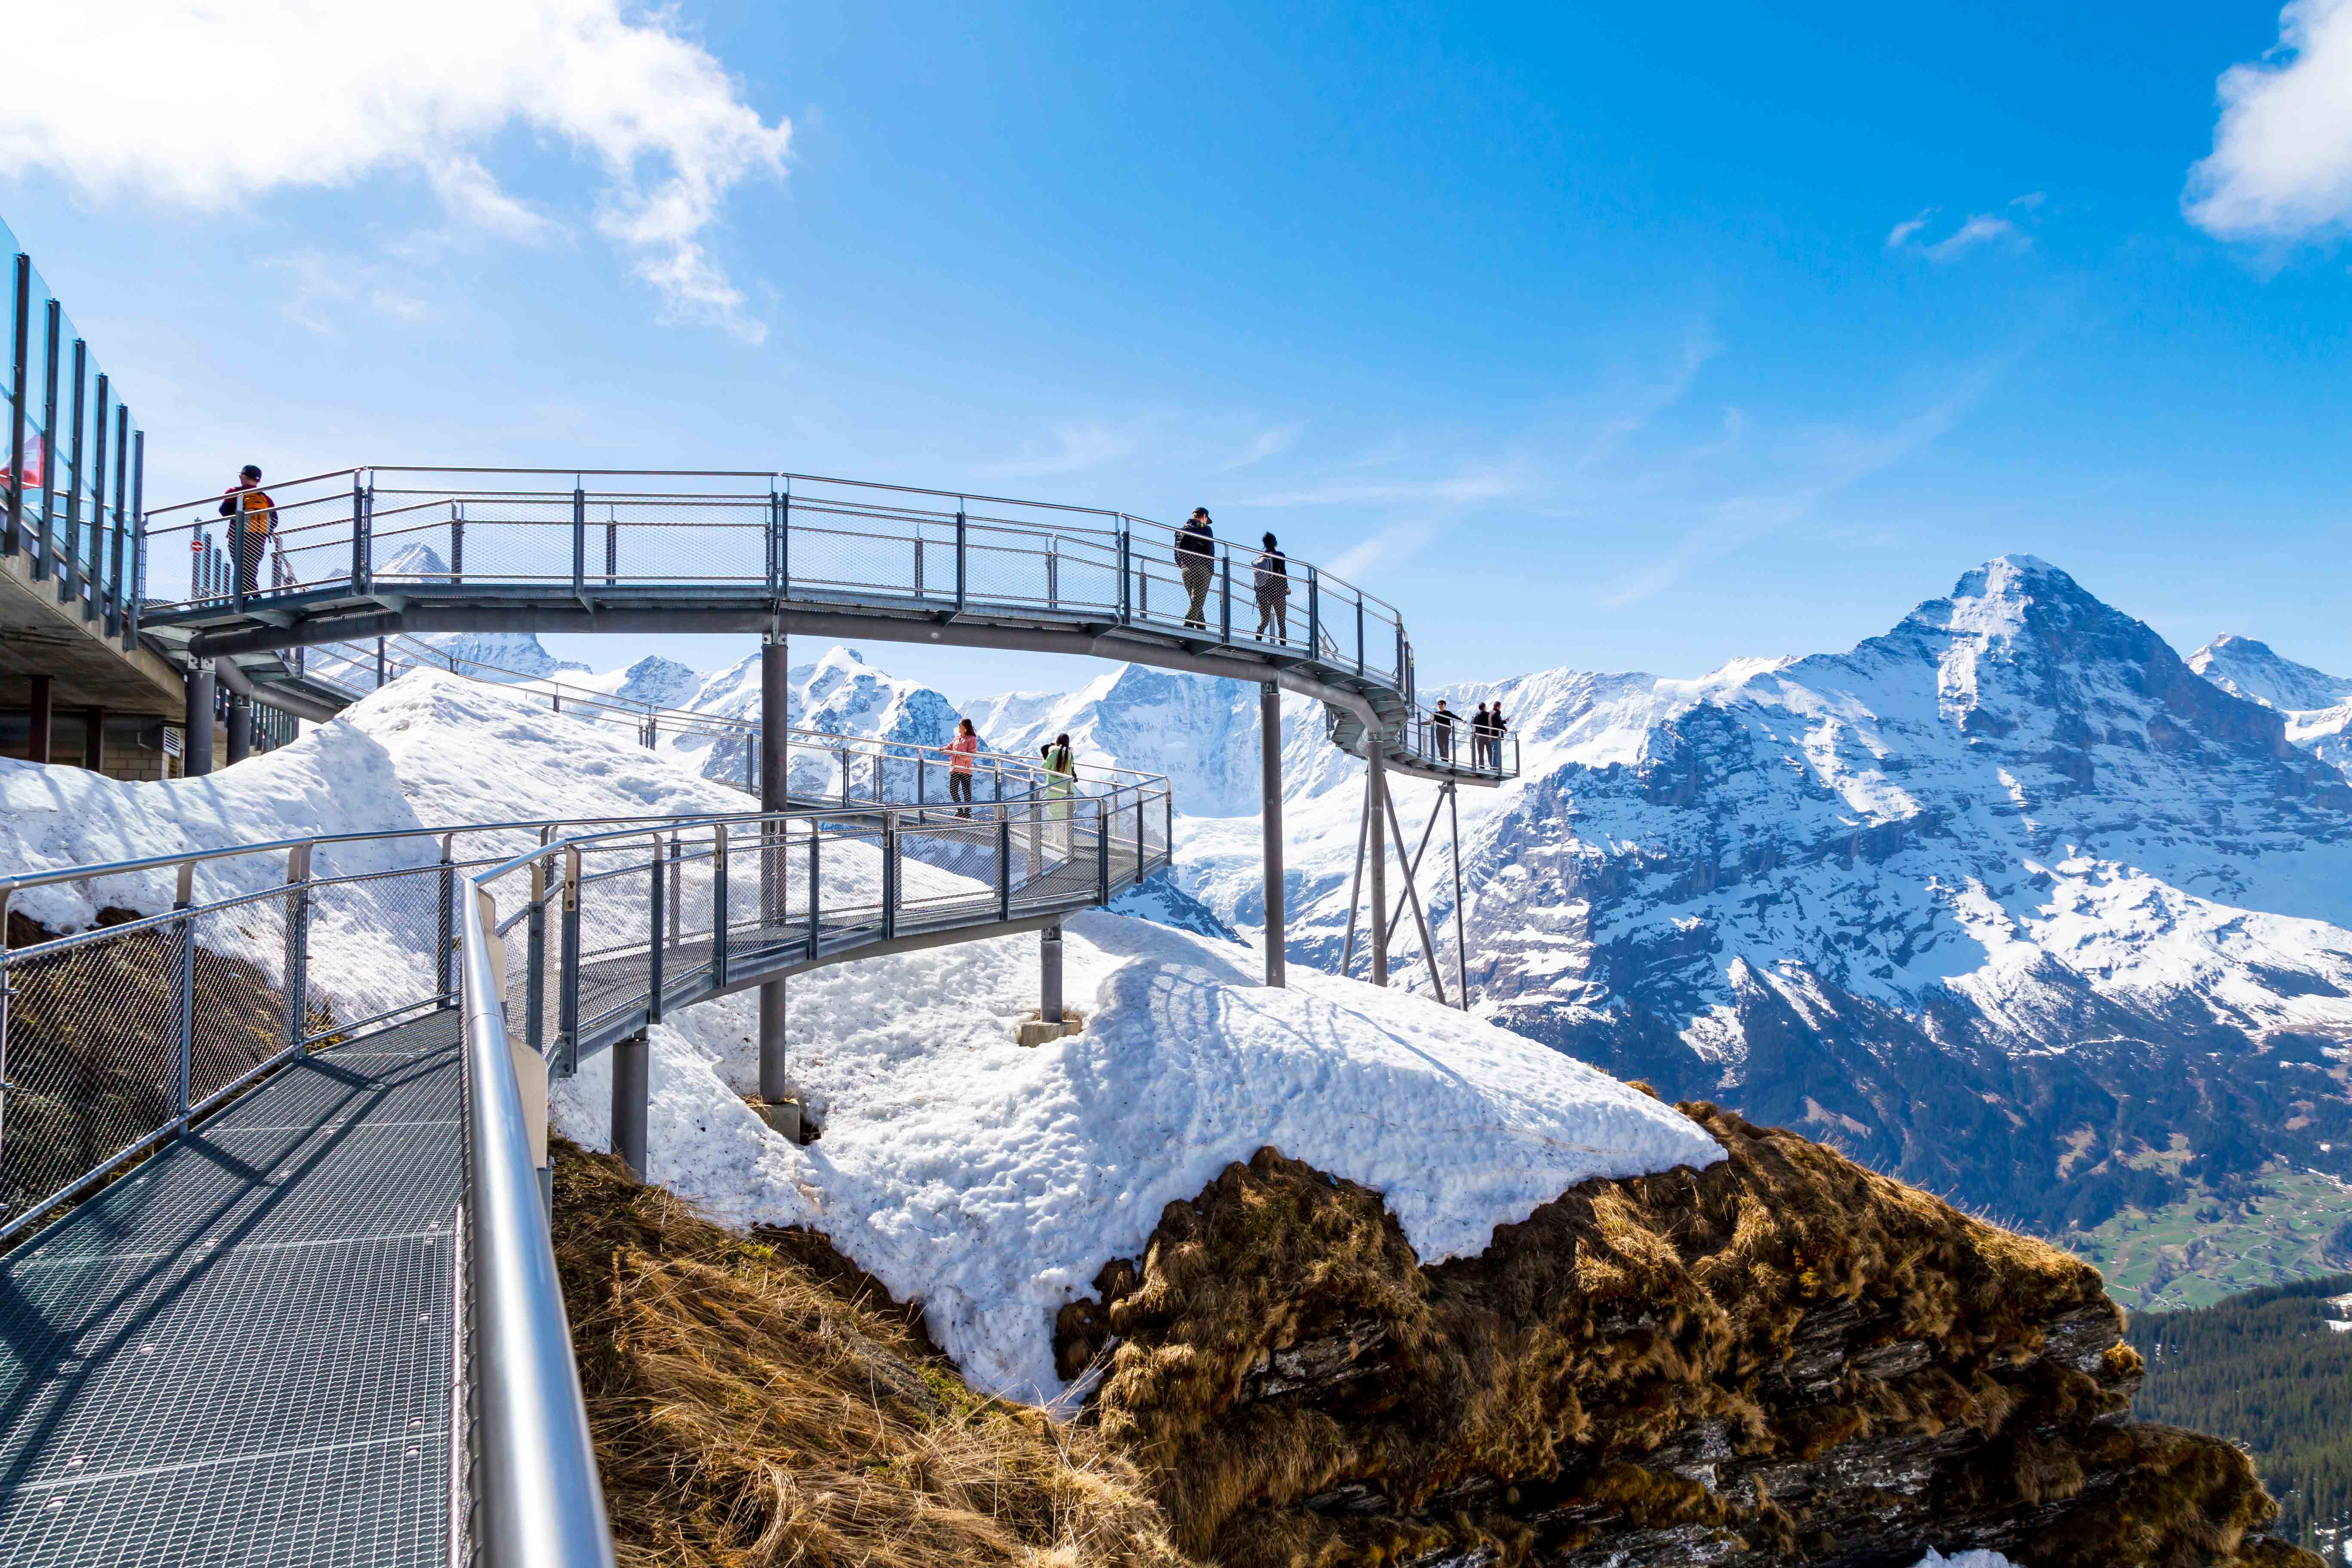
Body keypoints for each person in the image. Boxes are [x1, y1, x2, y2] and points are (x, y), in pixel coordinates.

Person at [217, 464, 278, 598]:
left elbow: (224, 511)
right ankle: (246, 598)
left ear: (243, 476)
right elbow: (275, 520)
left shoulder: (236, 492)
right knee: (250, 570)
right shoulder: (266, 499)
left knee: (242, 569)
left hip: (238, 537)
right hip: (258, 540)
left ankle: (254, 599)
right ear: (258, 481)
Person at [1175, 508, 1216, 630]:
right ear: (1204, 516)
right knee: (1197, 602)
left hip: (1185, 569)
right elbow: (1210, 551)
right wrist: (1211, 569)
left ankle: (1202, 628)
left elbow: (1176, 553)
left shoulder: (1182, 530)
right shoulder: (1206, 529)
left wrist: (1182, 565)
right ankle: (1186, 628)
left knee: (1196, 602)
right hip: (1201, 569)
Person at [1252, 532, 1289, 641]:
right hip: (1278, 593)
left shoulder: (1260, 559)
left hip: (1263, 594)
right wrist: (1286, 588)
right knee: (1281, 623)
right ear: (1275, 543)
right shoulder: (1280, 556)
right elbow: (1283, 574)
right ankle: (1283, 647)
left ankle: (1258, 642)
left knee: (1264, 621)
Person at [948, 717, 980, 818]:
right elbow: (950, 747)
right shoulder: (957, 738)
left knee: (966, 792)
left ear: (965, 727)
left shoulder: (972, 739)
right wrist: (942, 750)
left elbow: (971, 754)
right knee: (953, 790)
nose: (958, 727)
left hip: (966, 770)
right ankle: (960, 811)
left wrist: (960, 755)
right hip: (955, 769)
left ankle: (967, 813)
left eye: (960, 725)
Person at [1429, 699, 1457, 763]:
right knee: (1440, 746)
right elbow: (1430, 721)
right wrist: (1421, 723)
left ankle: (1446, 761)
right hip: (1439, 732)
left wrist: (1462, 721)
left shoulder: (1448, 713)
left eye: (1442, 704)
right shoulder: (1436, 714)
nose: (1440, 705)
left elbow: (1455, 717)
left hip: (1446, 731)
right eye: (1439, 704)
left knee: (1445, 746)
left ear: (1445, 706)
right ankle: (1443, 761)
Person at [1487, 704, 1509, 771]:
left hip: (1491, 734)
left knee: (1495, 750)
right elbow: (1499, 724)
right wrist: (1506, 729)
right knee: (1496, 751)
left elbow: (1497, 723)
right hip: (1496, 734)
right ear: (1498, 706)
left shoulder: (1492, 713)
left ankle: (1494, 767)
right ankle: (1495, 767)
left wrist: (1504, 721)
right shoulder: (1496, 714)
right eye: (1500, 706)